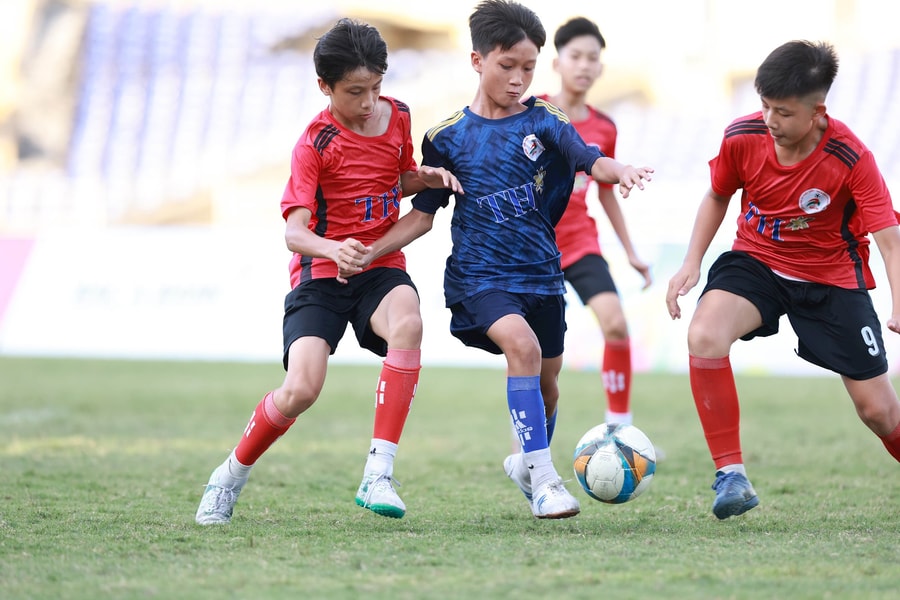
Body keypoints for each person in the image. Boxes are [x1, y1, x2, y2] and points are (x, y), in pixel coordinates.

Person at [341, 0, 652, 519]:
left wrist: (617, 169)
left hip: (542, 276)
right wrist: (372, 251)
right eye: (507, 66)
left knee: (548, 384)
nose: (518, 79)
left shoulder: (546, 119)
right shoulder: (446, 137)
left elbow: (588, 158)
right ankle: (547, 481)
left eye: (528, 68)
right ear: (477, 61)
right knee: (523, 348)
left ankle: (526, 466)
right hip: (479, 278)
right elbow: (422, 215)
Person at [195, 18, 460, 524]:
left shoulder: (399, 116)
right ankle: (228, 476)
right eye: (355, 91)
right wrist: (333, 249)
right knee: (301, 390)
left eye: (376, 87)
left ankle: (378, 472)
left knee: (409, 321)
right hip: (320, 275)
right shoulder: (314, 143)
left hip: (379, 267)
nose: (368, 102)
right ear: (325, 87)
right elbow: (294, 232)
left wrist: (421, 176)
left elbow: (393, 180)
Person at [665, 40, 900, 520]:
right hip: (756, 263)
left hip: (832, 277)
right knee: (704, 333)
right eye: (765, 106)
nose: (770, 120)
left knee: (879, 413)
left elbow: (889, 240)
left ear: (818, 112)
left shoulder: (852, 157)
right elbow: (717, 195)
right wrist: (692, 261)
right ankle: (730, 474)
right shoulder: (742, 136)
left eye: (784, 112)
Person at [539, 17, 653, 433]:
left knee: (617, 325)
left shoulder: (605, 127)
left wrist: (631, 254)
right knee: (534, 354)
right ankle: (527, 446)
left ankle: (620, 430)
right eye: (576, 56)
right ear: (557, 62)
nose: (584, 65)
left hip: (580, 241)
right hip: (533, 247)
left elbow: (606, 190)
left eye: (592, 58)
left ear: (601, 68)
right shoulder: (529, 113)